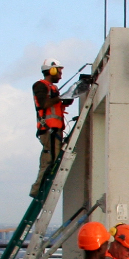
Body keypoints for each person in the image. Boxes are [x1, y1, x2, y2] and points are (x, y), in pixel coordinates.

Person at [31, 58, 71, 197]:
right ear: (52, 70)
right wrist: (60, 98)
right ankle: (38, 191)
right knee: (49, 162)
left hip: (54, 130)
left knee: (53, 161)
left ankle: (40, 190)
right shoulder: (40, 86)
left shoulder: (51, 88)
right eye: (59, 71)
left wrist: (64, 100)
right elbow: (43, 104)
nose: (61, 75)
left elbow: (52, 106)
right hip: (49, 130)